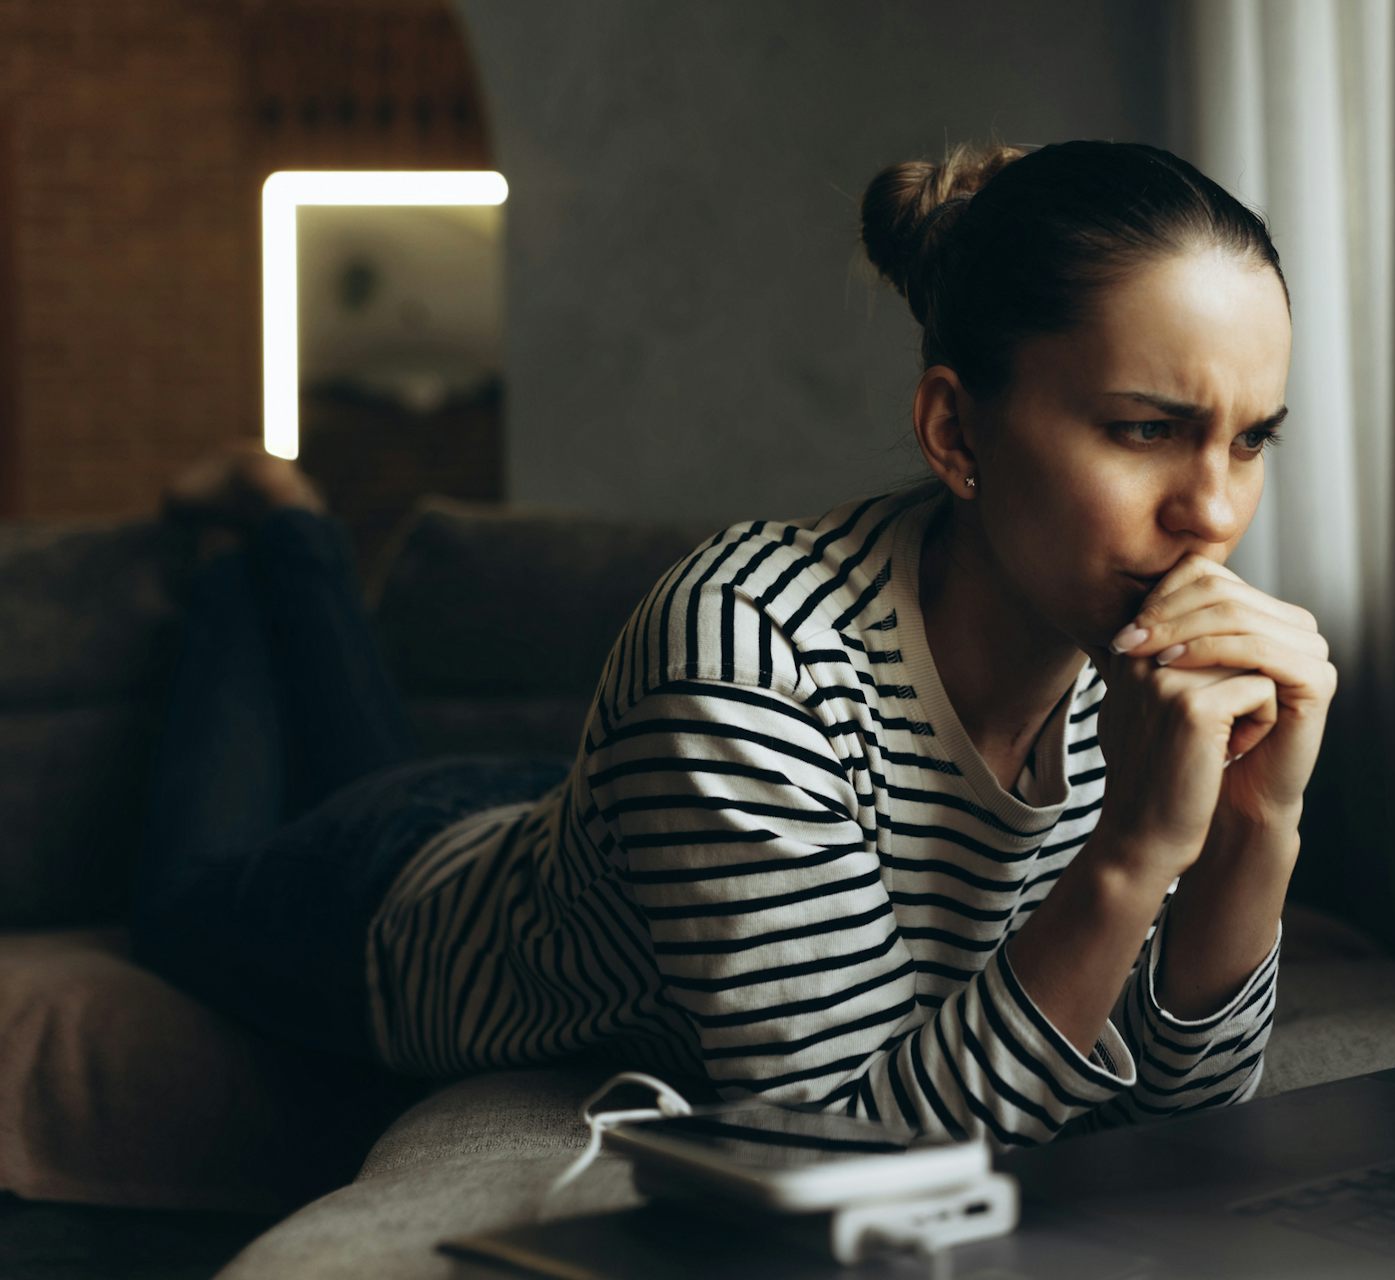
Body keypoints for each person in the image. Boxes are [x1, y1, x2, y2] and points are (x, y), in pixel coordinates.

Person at [131, 138, 1334, 1151]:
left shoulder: (1136, 650)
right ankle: (268, 540)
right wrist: (1130, 853)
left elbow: (1189, 1118)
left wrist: (1251, 827)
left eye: (1248, 440)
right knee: (174, 900)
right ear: (955, 428)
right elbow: (848, 1148)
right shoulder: (746, 647)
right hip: (384, 902)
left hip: (584, 822)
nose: (1214, 513)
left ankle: (295, 541)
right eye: (1145, 429)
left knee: (360, 751)